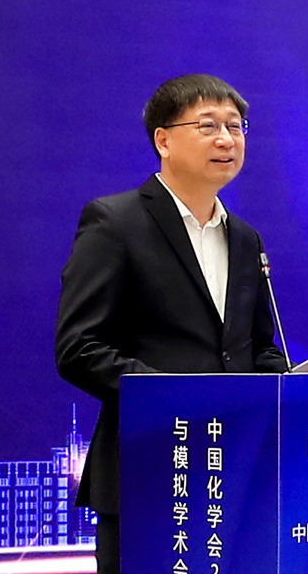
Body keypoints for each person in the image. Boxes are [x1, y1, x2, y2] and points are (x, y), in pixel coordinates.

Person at [55, 74, 289, 574]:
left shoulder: (246, 239)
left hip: (235, 473)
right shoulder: (114, 222)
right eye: (208, 126)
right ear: (163, 140)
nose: (226, 139)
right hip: (151, 466)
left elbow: (258, 346)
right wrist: (175, 396)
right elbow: (79, 347)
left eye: (235, 126)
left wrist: (286, 384)